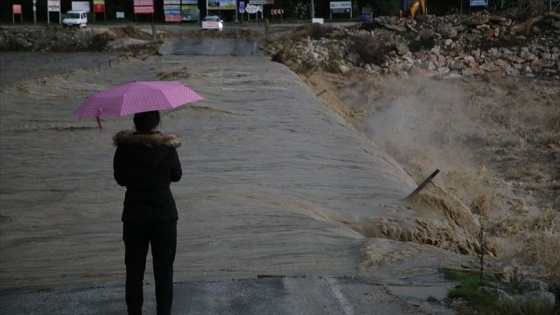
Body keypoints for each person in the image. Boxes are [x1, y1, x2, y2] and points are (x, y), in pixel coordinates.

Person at [113, 110, 182, 315]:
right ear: (156, 124)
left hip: (135, 217)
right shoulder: (167, 147)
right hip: (164, 216)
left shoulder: (125, 148)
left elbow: (120, 179)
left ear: (135, 123)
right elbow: (177, 176)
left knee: (134, 272)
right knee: (164, 272)